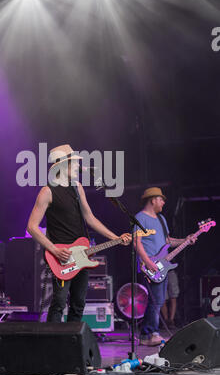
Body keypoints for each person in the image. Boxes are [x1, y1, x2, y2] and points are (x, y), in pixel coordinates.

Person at [27, 144, 131, 323]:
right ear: (62, 166)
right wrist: (54, 249)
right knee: (59, 302)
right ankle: (51, 344)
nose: (77, 166)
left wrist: (115, 237)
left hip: (82, 253)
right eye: (73, 163)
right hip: (61, 255)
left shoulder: (77, 187)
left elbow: (90, 218)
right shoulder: (47, 191)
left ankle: (71, 344)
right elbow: (32, 226)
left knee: (78, 302)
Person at [134, 187, 195, 346]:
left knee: (157, 301)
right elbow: (136, 243)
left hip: (162, 265)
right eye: (161, 199)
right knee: (157, 300)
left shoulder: (161, 219)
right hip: (149, 265)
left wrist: (185, 240)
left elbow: (168, 241)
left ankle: (146, 335)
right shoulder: (140, 218)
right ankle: (151, 333)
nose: (163, 202)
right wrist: (148, 262)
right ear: (153, 200)